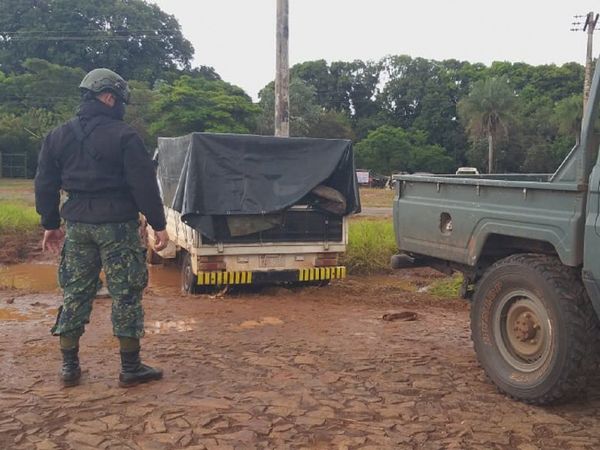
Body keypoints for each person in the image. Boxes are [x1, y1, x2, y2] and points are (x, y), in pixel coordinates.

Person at [34, 68, 169, 388]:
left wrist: (50, 224)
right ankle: (130, 367)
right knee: (126, 294)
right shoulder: (125, 136)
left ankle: (69, 367)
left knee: (75, 293)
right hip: (118, 227)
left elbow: (45, 184)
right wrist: (158, 224)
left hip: (78, 225)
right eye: (120, 100)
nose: (120, 106)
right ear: (108, 97)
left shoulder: (57, 136)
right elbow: (144, 185)